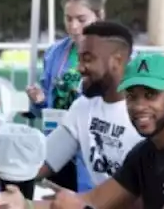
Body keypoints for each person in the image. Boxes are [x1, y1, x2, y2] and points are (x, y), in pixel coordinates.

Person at [0, 54, 164, 209]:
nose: (139, 107)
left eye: (150, 95)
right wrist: (24, 205)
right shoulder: (145, 153)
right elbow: (94, 200)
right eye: (132, 97)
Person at [38, 21, 143, 192]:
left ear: (117, 61)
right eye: (79, 59)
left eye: (87, 59)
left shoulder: (145, 116)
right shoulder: (82, 107)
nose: (79, 68)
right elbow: (45, 161)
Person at [26, 0, 107, 191]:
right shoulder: (55, 53)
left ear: (100, 16)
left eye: (81, 19)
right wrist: (40, 101)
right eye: (68, 18)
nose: (73, 26)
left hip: (94, 155)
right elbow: (43, 109)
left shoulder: (117, 55)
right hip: (58, 151)